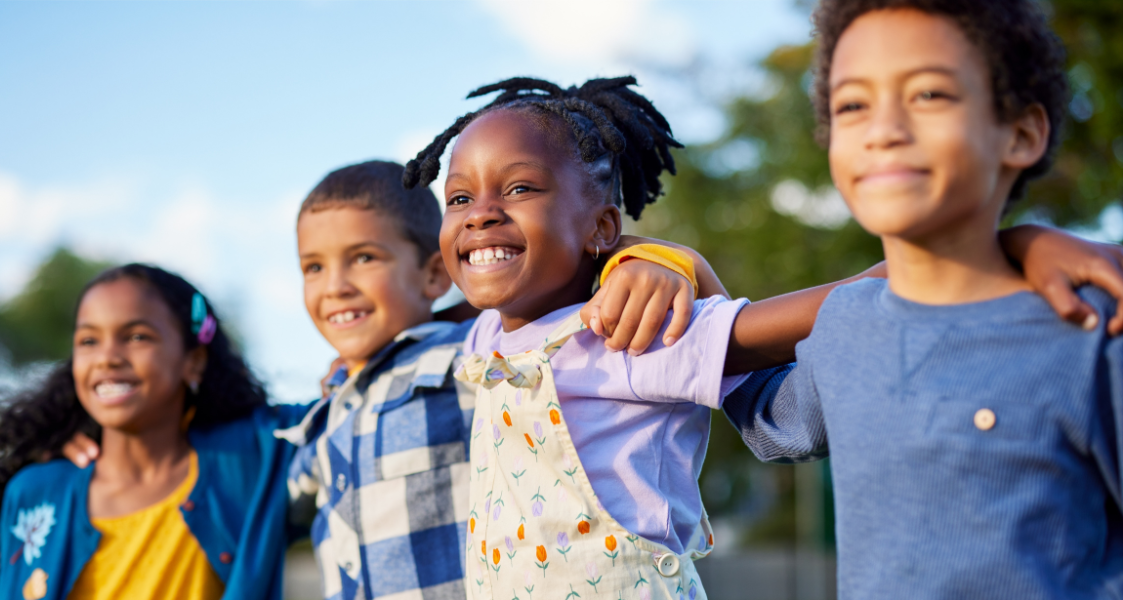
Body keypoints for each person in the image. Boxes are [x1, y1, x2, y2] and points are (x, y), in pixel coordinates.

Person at [401, 74, 1123, 599]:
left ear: (601, 227)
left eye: (519, 188)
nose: (481, 213)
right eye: (459, 197)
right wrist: (654, 252)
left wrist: (1000, 251)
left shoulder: (636, 332)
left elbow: (837, 303)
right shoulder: (483, 334)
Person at [721, 1, 1123, 598]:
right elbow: (761, 415)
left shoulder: (1090, 326)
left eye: (929, 94)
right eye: (853, 105)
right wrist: (679, 269)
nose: (883, 130)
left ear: (1021, 134)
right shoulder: (842, 328)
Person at [265, 160, 711, 600]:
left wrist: (639, 260)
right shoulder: (325, 412)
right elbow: (275, 507)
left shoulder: (469, 355)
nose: (335, 286)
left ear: (434, 274)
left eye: (364, 258)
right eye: (313, 267)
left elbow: (536, 306)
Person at [0, 265, 309, 600]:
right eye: (88, 340)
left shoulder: (252, 456)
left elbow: (335, 417)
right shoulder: (37, 492)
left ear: (193, 362)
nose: (107, 357)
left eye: (137, 336)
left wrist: (343, 375)